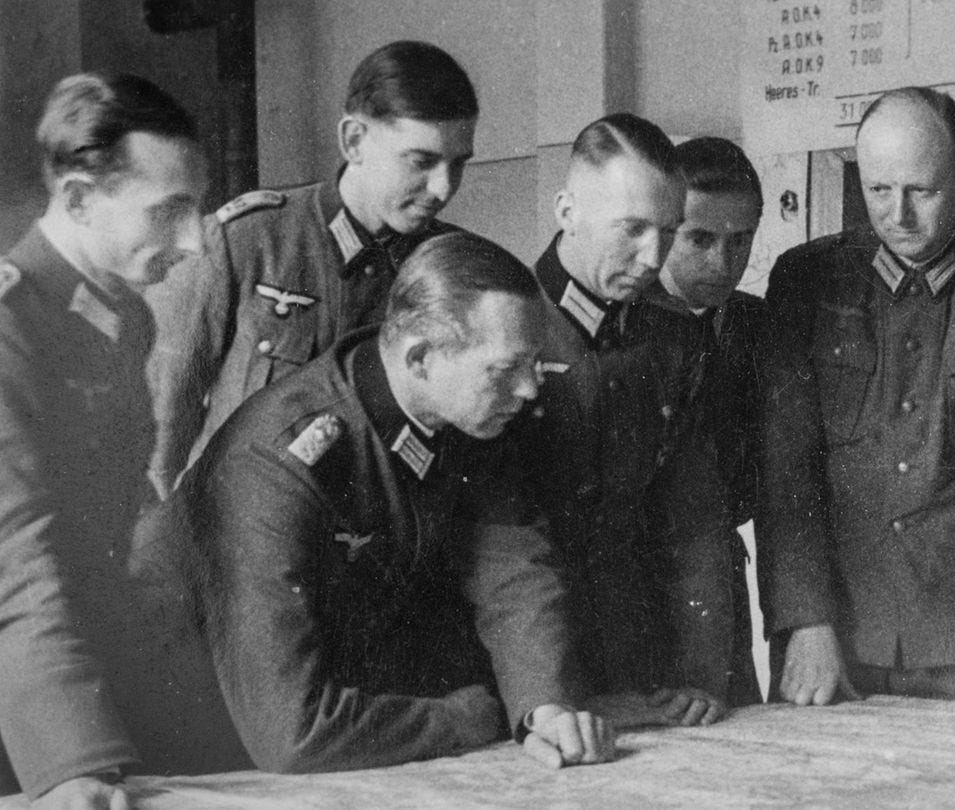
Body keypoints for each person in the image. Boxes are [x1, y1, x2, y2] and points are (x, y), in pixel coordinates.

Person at [177, 231, 613, 772]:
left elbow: (513, 565)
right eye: (505, 369)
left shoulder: (465, 413)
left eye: (532, 365)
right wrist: (473, 718)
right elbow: (292, 732)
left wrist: (543, 707)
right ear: (421, 357)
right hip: (194, 744)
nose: (528, 390)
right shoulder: (275, 461)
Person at [758, 86, 955, 708]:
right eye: (878, 189)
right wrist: (804, 621)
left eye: (921, 191)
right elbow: (785, 466)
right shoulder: (805, 280)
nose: (897, 214)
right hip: (833, 637)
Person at [0, 72, 208, 808]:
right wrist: (70, 765)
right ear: (81, 198)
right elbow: (19, 559)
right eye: (168, 212)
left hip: (80, 669)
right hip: (27, 706)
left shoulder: (121, 314)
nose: (193, 240)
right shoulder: (9, 327)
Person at [145, 40, 477, 493]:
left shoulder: (450, 269)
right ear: (354, 141)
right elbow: (160, 429)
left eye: (458, 165)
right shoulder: (247, 242)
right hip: (235, 535)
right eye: (422, 162)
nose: (442, 188)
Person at [518, 113, 735, 725]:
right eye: (632, 229)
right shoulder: (507, 321)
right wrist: (545, 700)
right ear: (567, 212)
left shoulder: (673, 340)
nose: (651, 257)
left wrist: (700, 674)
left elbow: (695, 519)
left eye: (667, 232)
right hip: (529, 671)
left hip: (643, 664)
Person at [650, 136, 766, 707]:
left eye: (740, 241)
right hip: (637, 601)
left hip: (721, 593)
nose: (723, 264)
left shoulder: (759, 327)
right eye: (699, 239)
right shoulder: (625, 323)